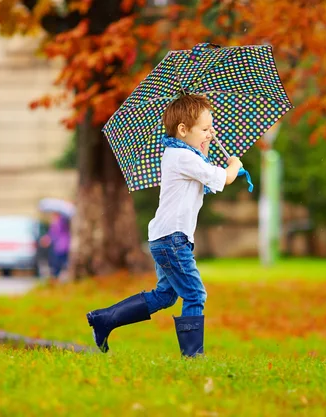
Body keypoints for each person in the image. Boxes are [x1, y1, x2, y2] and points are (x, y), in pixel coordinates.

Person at [86, 94, 243, 357]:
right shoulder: (183, 157)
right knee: (194, 294)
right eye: (205, 129)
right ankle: (193, 356)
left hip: (167, 238)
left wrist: (211, 154)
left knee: (165, 296)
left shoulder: (183, 154)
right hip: (173, 240)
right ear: (183, 130)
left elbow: (205, 171)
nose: (211, 134)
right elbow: (223, 178)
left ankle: (105, 319)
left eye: (211, 128)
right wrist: (234, 167)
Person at [40, 212, 71, 279]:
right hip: (59, 247)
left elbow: (54, 235)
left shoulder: (61, 222)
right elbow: (51, 234)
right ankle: (56, 277)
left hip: (62, 247)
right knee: (58, 263)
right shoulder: (55, 223)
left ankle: (56, 277)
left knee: (59, 263)